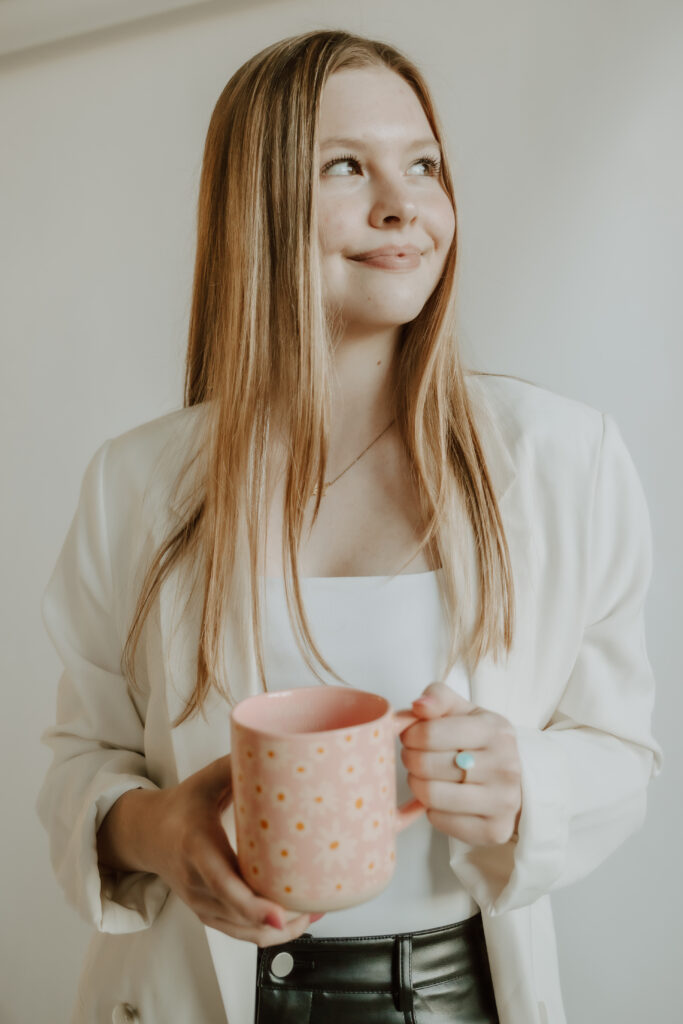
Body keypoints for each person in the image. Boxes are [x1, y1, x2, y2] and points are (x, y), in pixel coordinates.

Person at [36, 28, 663, 1024]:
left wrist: (518, 780)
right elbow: (78, 760)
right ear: (258, 205)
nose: (402, 204)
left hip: (461, 997)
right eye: (344, 167)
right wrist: (158, 830)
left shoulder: (560, 459)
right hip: (194, 996)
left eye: (422, 165)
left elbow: (620, 750)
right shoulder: (138, 481)